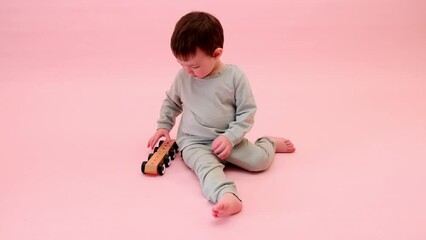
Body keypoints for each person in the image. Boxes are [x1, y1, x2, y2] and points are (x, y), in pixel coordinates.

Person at [147, 11, 295, 218]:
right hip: (194, 142)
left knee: (259, 162)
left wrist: (230, 137)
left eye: (194, 65)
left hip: (228, 140)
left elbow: (247, 112)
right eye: (182, 64)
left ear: (216, 54)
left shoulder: (235, 77)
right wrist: (163, 125)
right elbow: (172, 102)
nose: (188, 71)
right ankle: (227, 195)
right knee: (206, 169)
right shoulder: (183, 77)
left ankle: (268, 142)